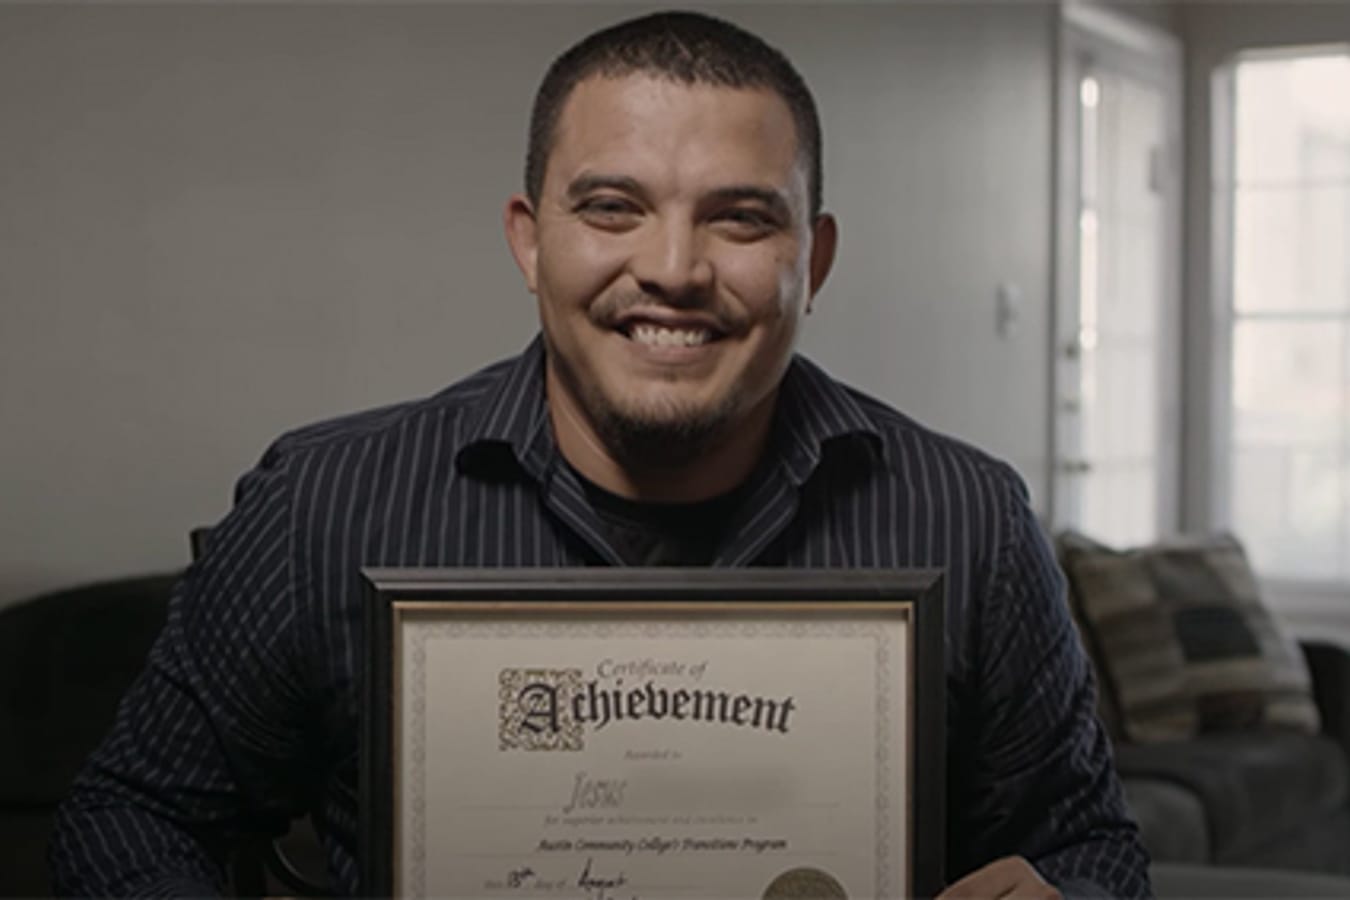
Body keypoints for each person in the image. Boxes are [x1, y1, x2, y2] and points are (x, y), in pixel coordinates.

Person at [50, 10, 1149, 899]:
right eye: (614, 208)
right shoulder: (326, 505)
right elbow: (129, 817)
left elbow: (1092, 851)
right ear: (532, 241)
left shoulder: (968, 517)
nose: (672, 268)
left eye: (740, 219)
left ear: (811, 261)